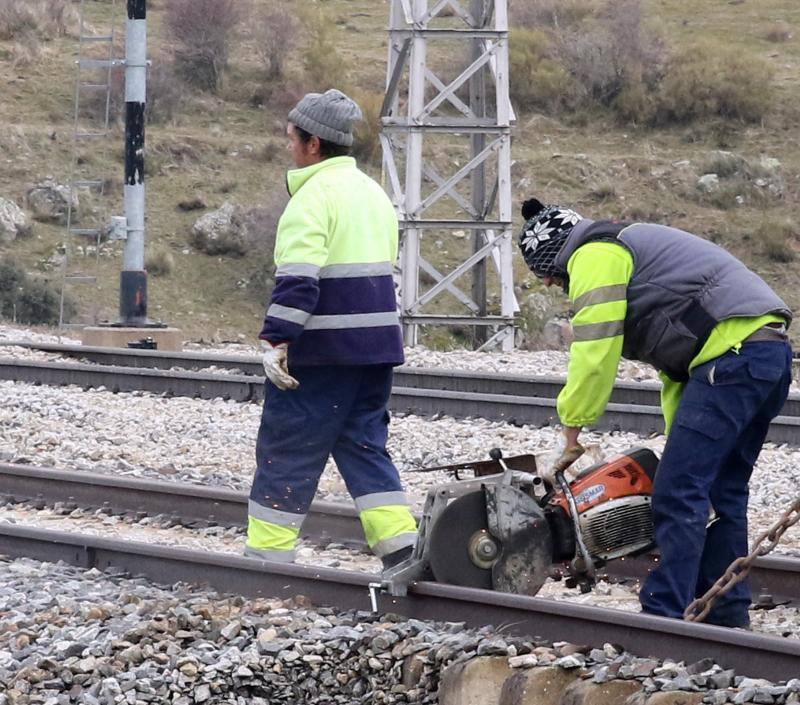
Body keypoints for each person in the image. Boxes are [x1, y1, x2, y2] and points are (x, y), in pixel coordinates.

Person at [518, 197, 792, 627]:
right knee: (722, 494)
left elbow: (595, 351)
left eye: (549, 276)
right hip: (765, 356)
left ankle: (663, 617)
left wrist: (571, 432)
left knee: (678, 491)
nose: (554, 286)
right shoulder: (631, 246)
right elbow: (679, 371)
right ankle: (726, 615)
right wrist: (678, 438)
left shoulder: (595, 253)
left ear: (555, 258)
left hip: (733, 360)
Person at [245, 89, 417, 569]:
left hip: (322, 355)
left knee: (287, 449)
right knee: (364, 446)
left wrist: (278, 340)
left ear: (313, 144)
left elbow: (299, 281)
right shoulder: (374, 194)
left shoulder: (312, 198)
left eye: (292, 138)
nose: (289, 147)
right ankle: (402, 549)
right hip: (377, 351)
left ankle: (267, 561)